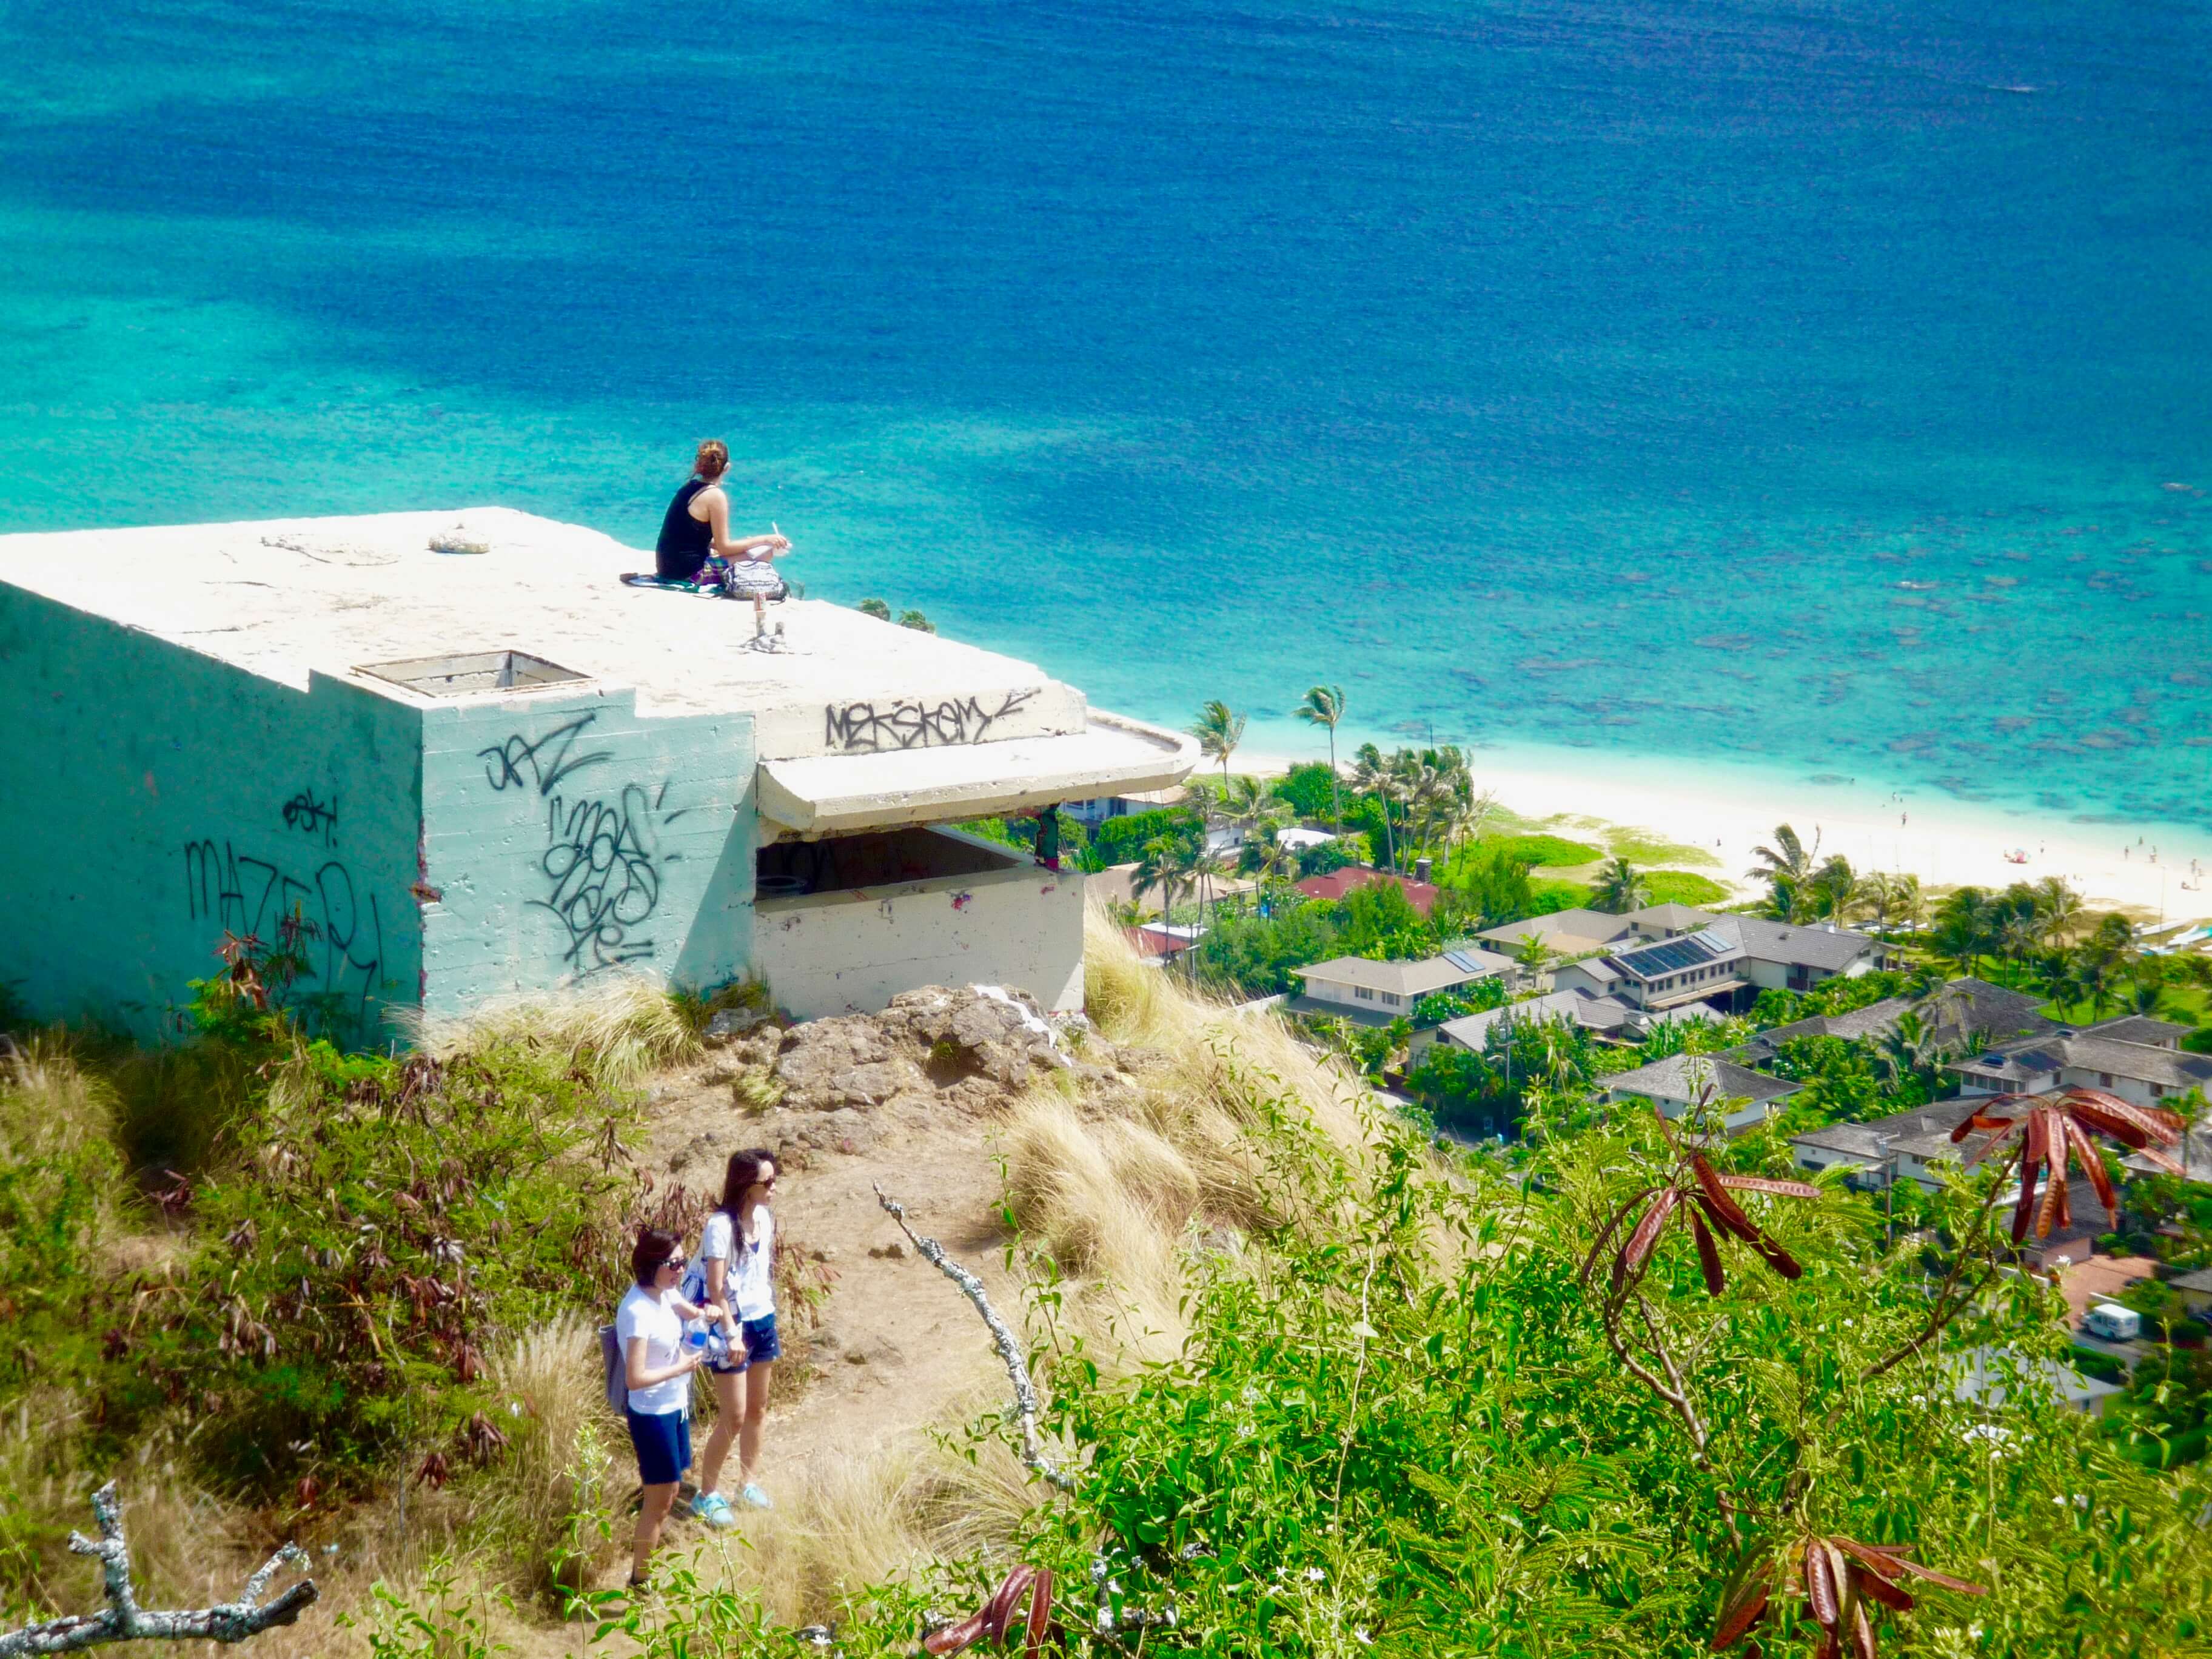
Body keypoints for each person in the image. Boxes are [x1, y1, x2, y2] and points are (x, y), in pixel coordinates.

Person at [616, 1225, 722, 1589]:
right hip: (652, 1414)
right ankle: (640, 1581)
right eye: (674, 1263)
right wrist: (682, 1366)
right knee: (659, 1501)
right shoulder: (637, 1312)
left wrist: (703, 1314)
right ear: (652, 1265)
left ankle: (644, 1570)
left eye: (682, 1261)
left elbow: (683, 1306)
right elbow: (635, 1378)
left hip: (674, 1405)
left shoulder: (665, 1291)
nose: (681, 1270)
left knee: (672, 1489)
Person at [682, 1149, 782, 1520]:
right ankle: (707, 1494)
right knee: (734, 1415)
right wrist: (731, 1334)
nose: (774, 1188)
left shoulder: (765, 1219)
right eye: (767, 1182)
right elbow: (717, 1286)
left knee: (758, 1408)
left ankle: (747, 1484)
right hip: (732, 1327)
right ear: (747, 1185)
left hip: (762, 1319)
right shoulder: (720, 1227)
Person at [655, 440, 791, 634]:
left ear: (699, 465)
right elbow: (725, 547)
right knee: (765, 554)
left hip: (667, 566)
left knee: (751, 550)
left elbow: (697, 538)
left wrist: (745, 545)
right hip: (690, 573)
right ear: (726, 468)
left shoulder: (689, 488)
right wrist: (764, 539)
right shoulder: (715, 496)